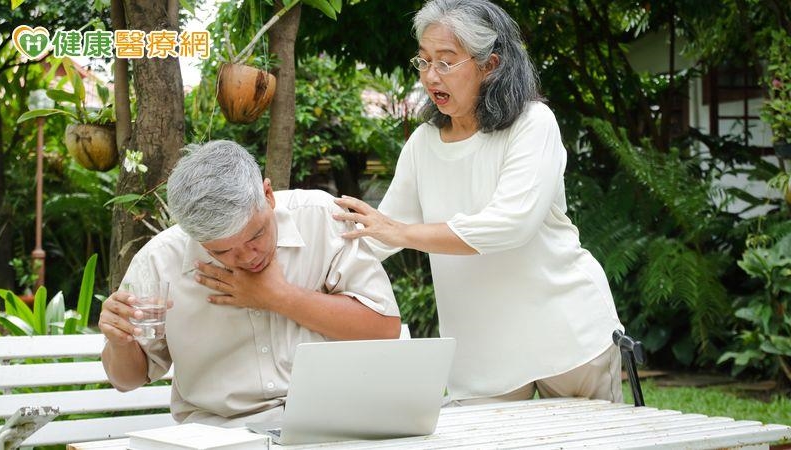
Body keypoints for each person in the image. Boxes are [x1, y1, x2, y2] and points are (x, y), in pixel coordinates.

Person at [334, 0, 623, 404]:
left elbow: (510, 224)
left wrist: (403, 232)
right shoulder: (422, 145)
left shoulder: (533, 123)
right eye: (423, 60)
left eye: (446, 61)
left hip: (566, 336)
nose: (430, 75)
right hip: (482, 356)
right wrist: (297, 245)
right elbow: (376, 237)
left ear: (490, 64)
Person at [100, 140, 400, 426]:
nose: (246, 257)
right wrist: (119, 341)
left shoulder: (321, 219)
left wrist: (280, 297)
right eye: (221, 251)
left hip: (334, 424)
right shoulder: (159, 261)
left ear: (268, 195)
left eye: (256, 235)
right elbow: (127, 381)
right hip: (219, 435)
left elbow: (384, 329)